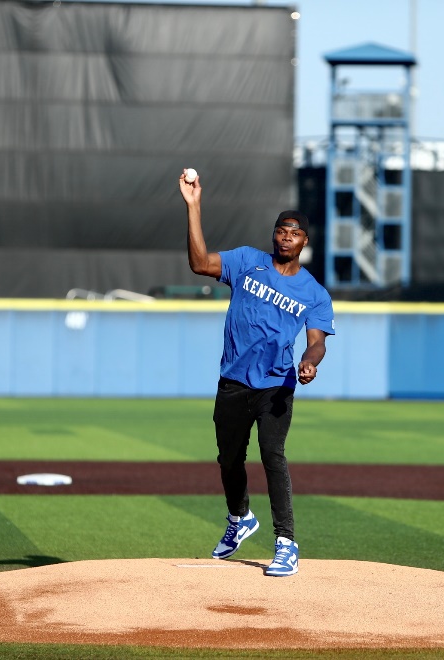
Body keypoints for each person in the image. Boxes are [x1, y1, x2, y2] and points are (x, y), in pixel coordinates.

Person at [178, 169, 335, 577]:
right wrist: (194, 207)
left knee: (272, 453)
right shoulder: (247, 262)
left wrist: (310, 361)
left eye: (295, 232)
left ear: (305, 242)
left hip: (276, 385)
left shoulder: (314, 292)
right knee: (228, 459)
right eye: (282, 230)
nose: (287, 236)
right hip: (233, 380)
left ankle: (287, 543)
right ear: (274, 235)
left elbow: (317, 341)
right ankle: (240, 519)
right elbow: (199, 263)